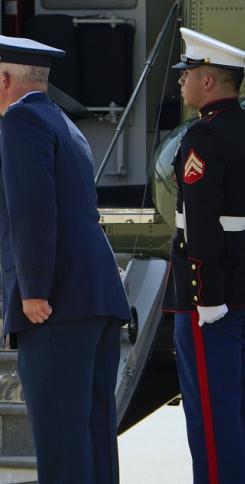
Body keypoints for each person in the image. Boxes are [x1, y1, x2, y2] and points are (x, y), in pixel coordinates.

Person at [0, 33, 131, 484]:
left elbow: (33, 212)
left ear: (5, 78)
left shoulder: (21, 122)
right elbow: (11, 219)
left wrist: (34, 289)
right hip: (93, 296)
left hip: (58, 302)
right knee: (92, 433)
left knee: (60, 438)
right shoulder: (60, 121)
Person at [161, 28, 245, 484]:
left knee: (213, 421)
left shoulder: (203, 137)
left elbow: (199, 223)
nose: (181, 81)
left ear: (208, 80)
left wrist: (206, 298)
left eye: (187, 73)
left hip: (211, 302)